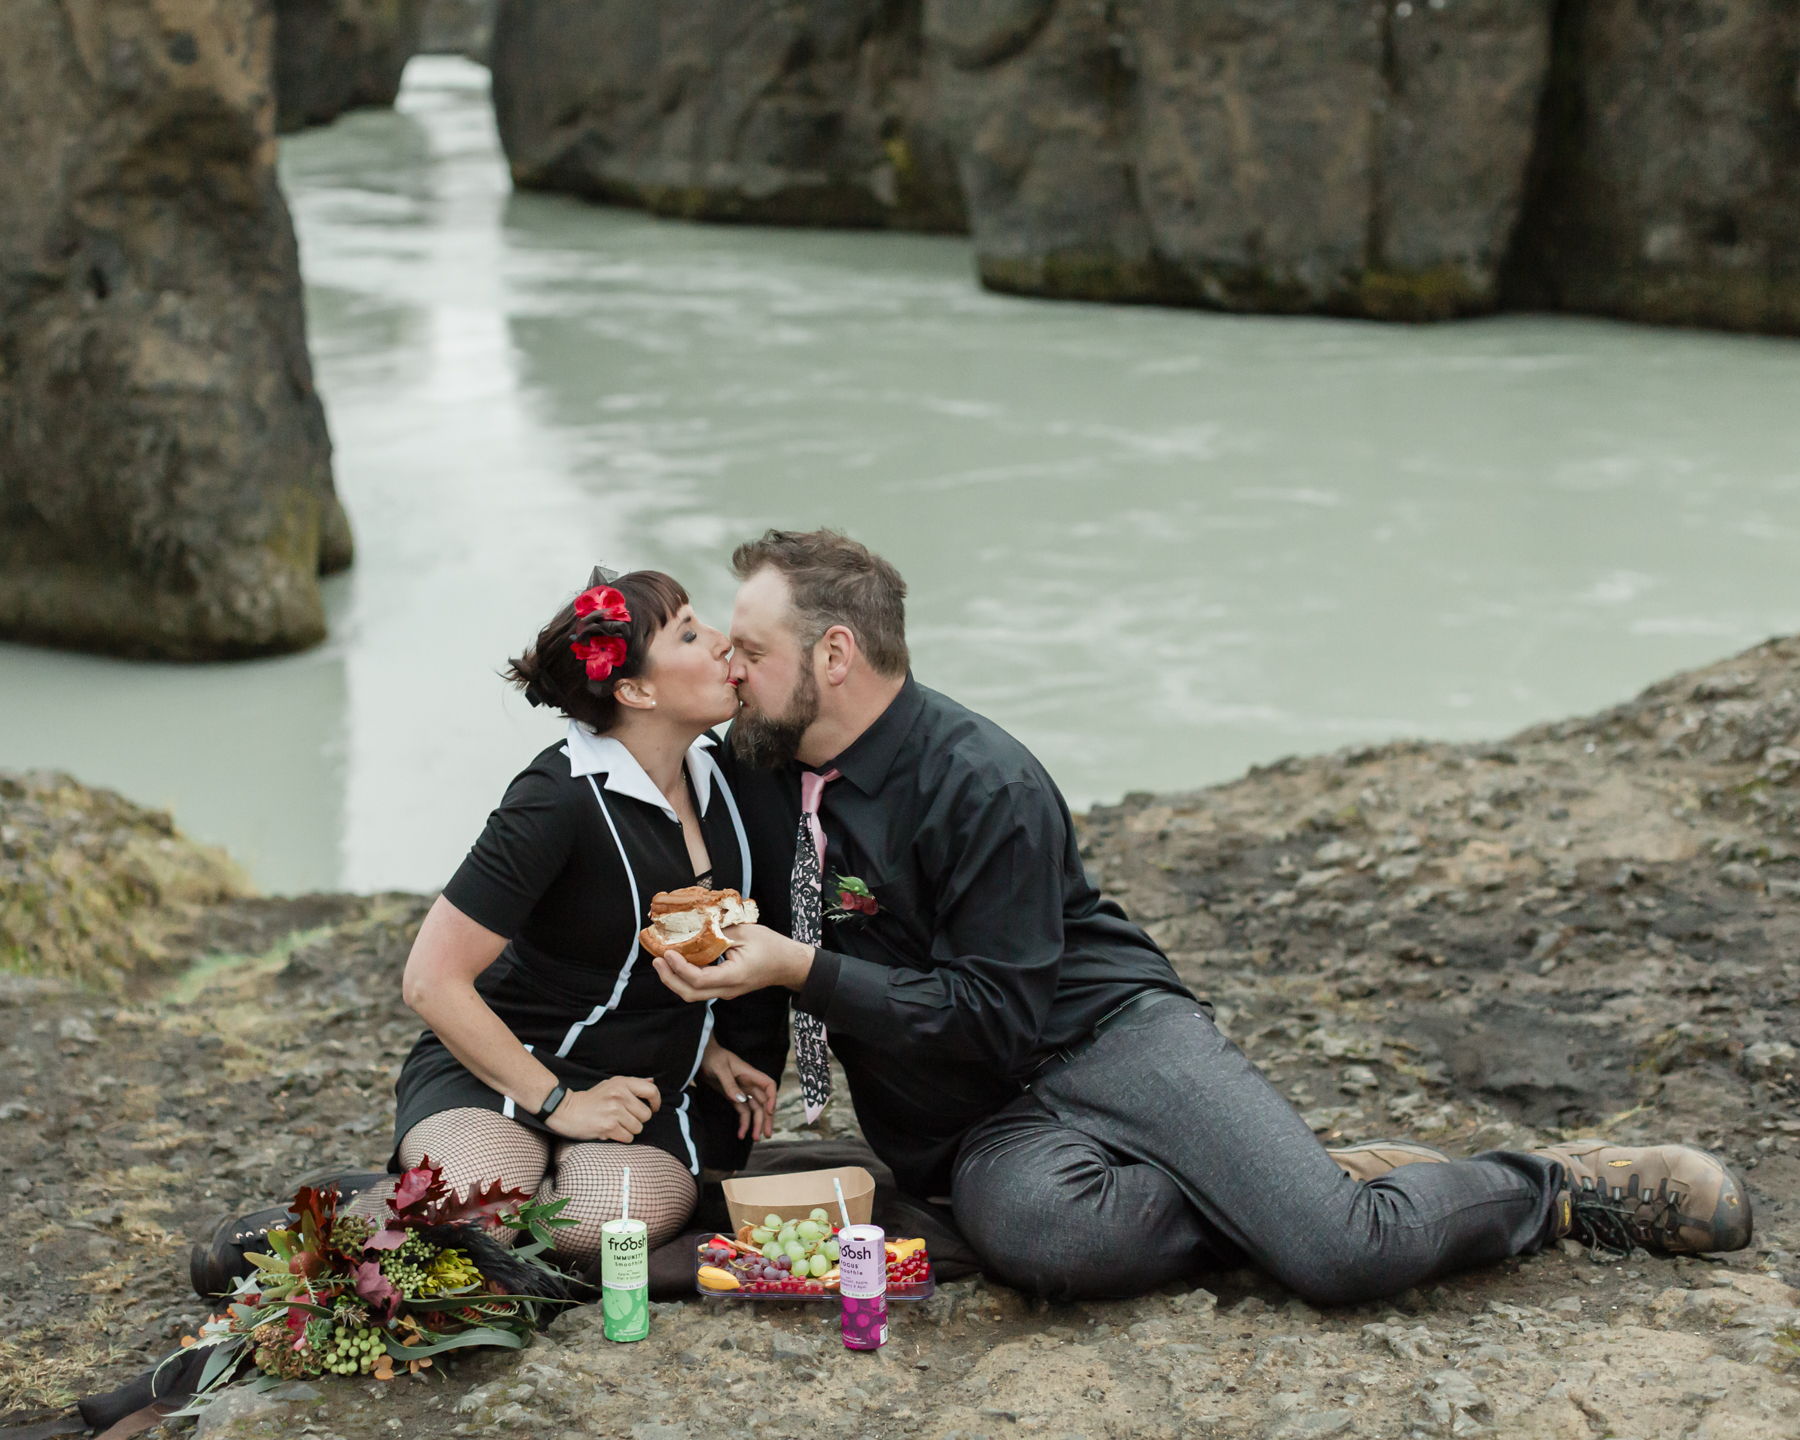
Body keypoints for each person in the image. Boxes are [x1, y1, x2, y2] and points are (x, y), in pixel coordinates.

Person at [651, 529, 1753, 1303]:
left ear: (834, 655)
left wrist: (797, 969)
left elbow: (993, 1016)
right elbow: (629, 763)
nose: (732, 671)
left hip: (1103, 1037)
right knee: (1044, 1246)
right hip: (978, 1127)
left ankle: (1551, 1188)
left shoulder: (985, 783)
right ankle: (1274, 1181)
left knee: (1339, 1260)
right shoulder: (751, 764)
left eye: (751, 649)